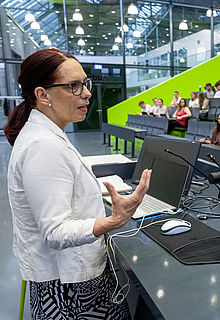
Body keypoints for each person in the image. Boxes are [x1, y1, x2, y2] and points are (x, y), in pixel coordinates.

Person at [4, 48, 151, 319]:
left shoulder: (46, 134)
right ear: (42, 95)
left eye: (85, 83)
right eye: (73, 86)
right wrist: (112, 221)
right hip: (70, 288)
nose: (86, 93)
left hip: (68, 280)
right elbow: (55, 231)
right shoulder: (43, 146)